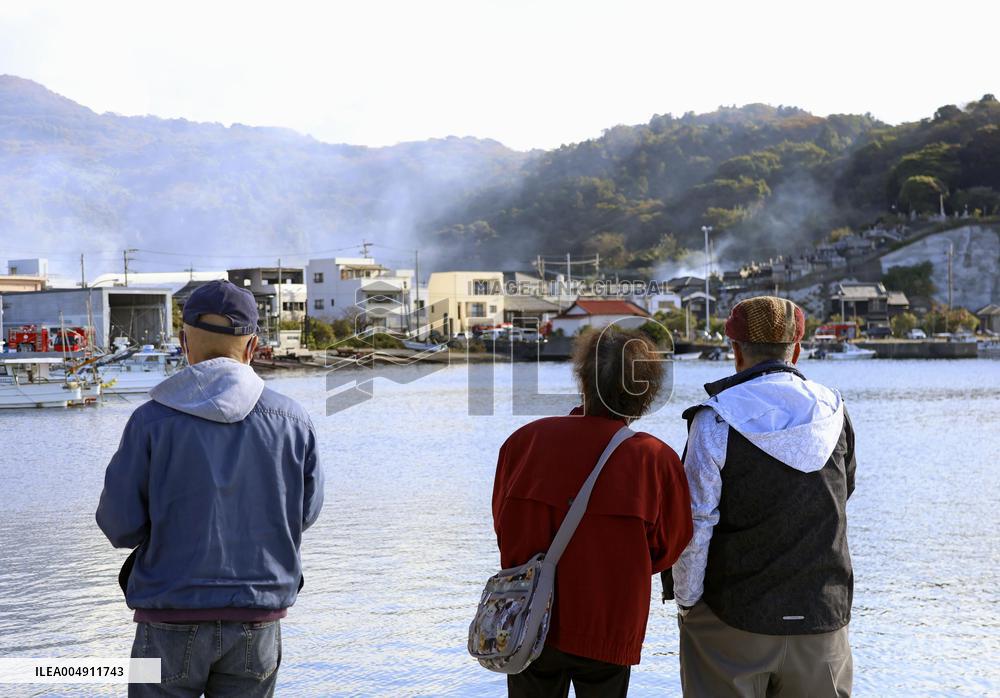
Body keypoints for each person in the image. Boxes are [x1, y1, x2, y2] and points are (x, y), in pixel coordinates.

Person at [96, 279, 324, 697]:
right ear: (253, 347)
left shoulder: (150, 422)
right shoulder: (294, 421)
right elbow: (303, 515)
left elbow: (119, 525)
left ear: (185, 343)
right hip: (258, 621)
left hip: (168, 619)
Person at [669, 296, 856, 697]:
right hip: (822, 618)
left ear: (735, 352)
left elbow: (695, 522)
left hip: (732, 619)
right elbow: (844, 494)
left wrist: (688, 604)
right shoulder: (834, 412)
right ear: (797, 350)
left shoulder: (715, 418)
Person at [493, 325, 693, 698]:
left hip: (528, 619)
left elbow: (503, 526)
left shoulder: (523, 444)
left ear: (583, 380)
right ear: (643, 393)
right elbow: (670, 546)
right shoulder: (655, 460)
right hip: (609, 621)